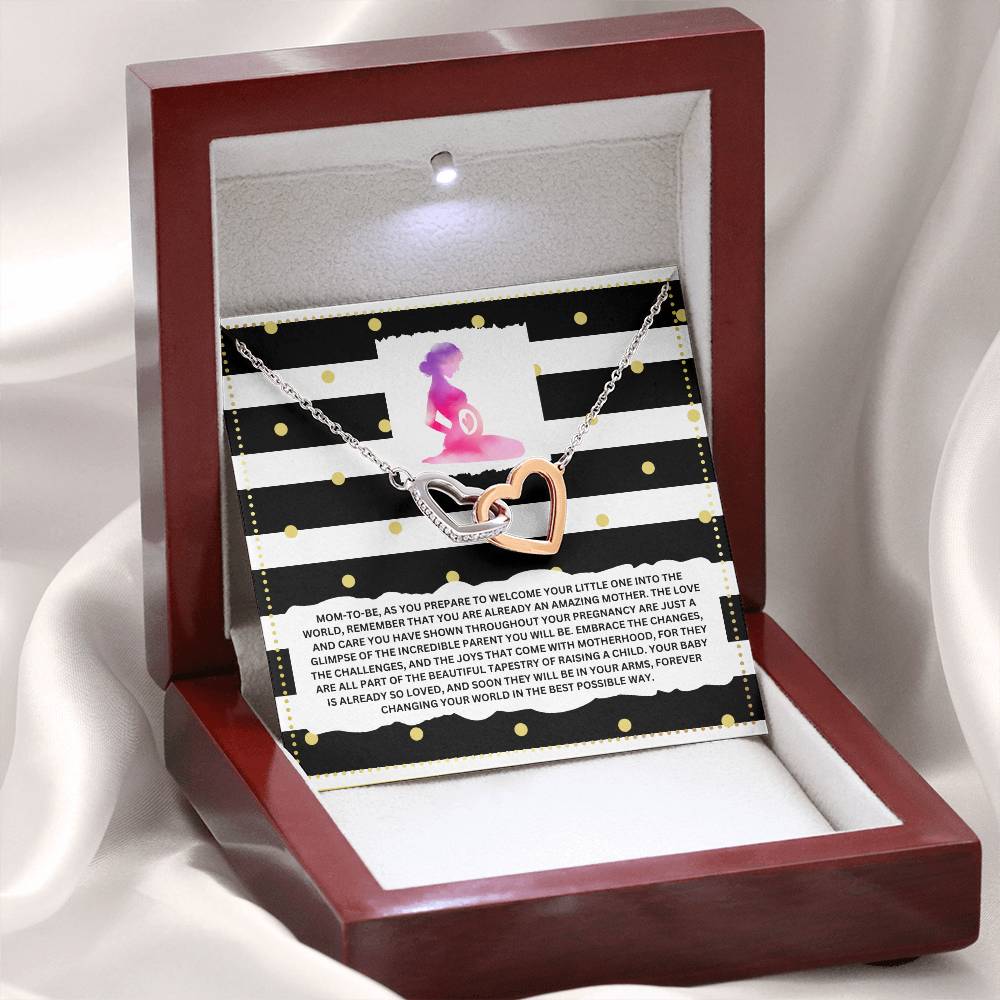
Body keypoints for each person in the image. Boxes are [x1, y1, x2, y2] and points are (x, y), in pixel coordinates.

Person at [420, 342, 524, 463]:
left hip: (467, 437)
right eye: (456, 362)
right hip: (463, 440)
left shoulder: (434, 391)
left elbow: (429, 421)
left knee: (513, 447)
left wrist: (450, 432)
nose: (457, 368)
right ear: (443, 363)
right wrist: (453, 433)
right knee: (514, 448)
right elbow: (431, 421)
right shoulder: (437, 390)